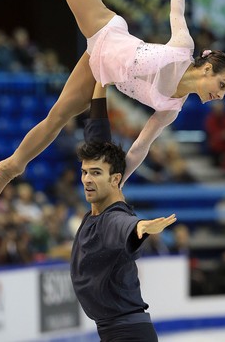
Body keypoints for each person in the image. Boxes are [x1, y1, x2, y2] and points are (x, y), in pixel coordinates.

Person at [0, 0, 225, 207]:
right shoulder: (181, 50)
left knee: (57, 116)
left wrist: (116, 190)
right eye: (222, 86)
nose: (221, 96)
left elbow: (139, 148)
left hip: (99, 67)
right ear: (207, 70)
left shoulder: (170, 109)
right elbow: (176, 13)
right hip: (106, 33)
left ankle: (13, 165)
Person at [72, 140, 176, 341]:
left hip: (128, 335)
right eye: (84, 172)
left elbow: (124, 225)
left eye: (95, 173)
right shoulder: (97, 215)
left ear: (115, 179)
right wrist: (97, 107)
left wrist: (142, 227)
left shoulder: (112, 218)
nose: (86, 179)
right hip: (118, 332)